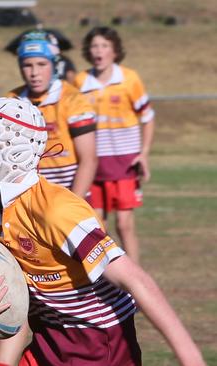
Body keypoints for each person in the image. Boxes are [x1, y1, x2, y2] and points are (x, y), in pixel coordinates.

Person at [0, 97, 205, 366]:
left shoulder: (57, 210)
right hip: (47, 345)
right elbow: (14, 310)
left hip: (102, 349)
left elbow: (136, 280)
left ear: (13, 153)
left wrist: (191, 358)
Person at [74, 26, 155, 264]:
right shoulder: (81, 81)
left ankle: (136, 281)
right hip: (92, 164)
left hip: (124, 162)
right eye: (94, 46)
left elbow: (148, 117)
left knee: (124, 224)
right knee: (97, 226)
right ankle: (109, 278)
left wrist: (145, 154)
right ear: (89, 51)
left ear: (115, 51)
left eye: (104, 46)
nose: (99, 51)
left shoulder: (129, 79)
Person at [7, 30, 97, 198]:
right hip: (26, 197)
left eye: (42, 64)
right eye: (27, 65)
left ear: (55, 65)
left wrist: (73, 203)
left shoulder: (74, 100)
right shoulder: (10, 101)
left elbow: (89, 160)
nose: (34, 73)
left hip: (69, 195)